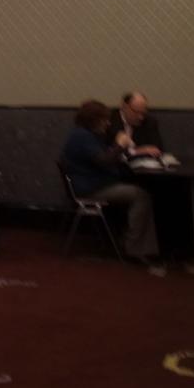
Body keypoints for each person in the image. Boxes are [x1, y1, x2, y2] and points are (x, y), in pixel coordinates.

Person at [61, 99, 160, 265]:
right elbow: (104, 161)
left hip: (95, 183)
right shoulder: (82, 137)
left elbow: (105, 156)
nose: (108, 123)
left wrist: (121, 149)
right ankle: (134, 248)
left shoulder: (87, 135)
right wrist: (119, 145)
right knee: (140, 195)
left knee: (138, 192)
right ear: (94, 120)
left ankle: (132, 243)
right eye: (104, 120)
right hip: (91, 188)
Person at [109, 91, 164, 157]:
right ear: (124, 107)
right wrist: (136, 151)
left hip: (142, 161)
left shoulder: (149, 122)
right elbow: (108, 152)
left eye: (143, 113)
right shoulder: (109, 121)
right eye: (136, 112)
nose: (140, 117)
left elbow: (157, 148)